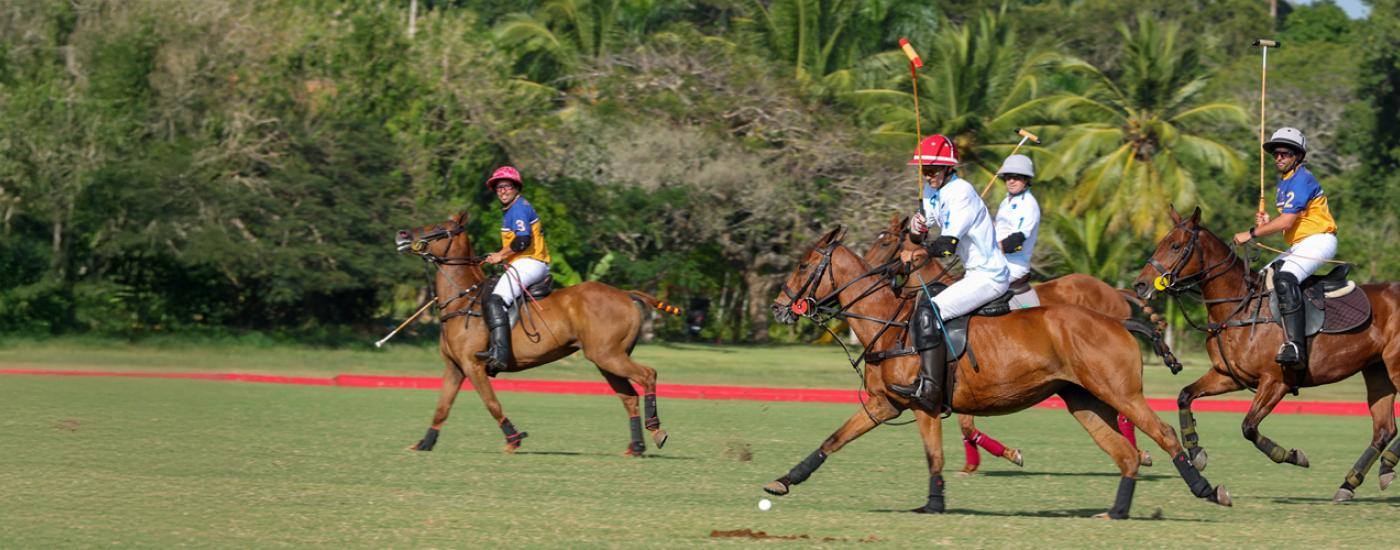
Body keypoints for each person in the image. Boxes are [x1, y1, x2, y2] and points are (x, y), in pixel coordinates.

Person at [892, 135, 1011, 412]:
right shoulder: (932, 191)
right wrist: (917, 228)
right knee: (924, 300)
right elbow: (920, 235)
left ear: (948, 169)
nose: (928, 175)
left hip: (990, 276)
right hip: (973, 274)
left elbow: (947, 245)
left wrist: (917, 254)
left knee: (930, 312)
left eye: (933, 170)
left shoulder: (962, 193)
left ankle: (931, 390)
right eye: (924, 170)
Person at [1232, 127, 1338, 369]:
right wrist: (1268, 224)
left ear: (1297, 156)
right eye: (1276, 154)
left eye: (1285, 153)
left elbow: (1289, 221)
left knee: (1284, 278)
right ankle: (1266, 338)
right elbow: (1291, 223)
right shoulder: (1284, 183)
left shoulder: (1302, 179)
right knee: (1261, 280)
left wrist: (1251, 233)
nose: (1279, 157)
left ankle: (1296, 346)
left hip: (1320, 239)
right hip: (1302, 242)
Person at [476, 166, 552, 376]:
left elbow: (523, 240)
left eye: (507, 186)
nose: (503, 191)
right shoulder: (514, 209)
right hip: (526, 261)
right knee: (499, 297)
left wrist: (501, 255)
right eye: (499, 187)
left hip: (531, 262)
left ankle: (499, 355)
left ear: (516, 187)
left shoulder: (518, 209)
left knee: (495, 300)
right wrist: (499, 254)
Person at [992, 154, 1041, 309]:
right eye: (1008, 177)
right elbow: (1000, 227)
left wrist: (989, 248)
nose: (1011, 181)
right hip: (998, 261)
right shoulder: (1006, 200)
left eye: (1016, 177)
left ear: (1026, 179)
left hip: (1013, 267)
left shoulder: (1028, 205)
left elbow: (1016, 241)